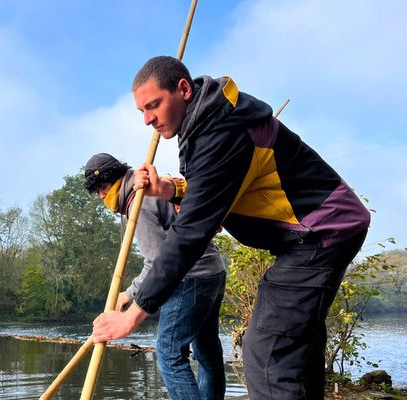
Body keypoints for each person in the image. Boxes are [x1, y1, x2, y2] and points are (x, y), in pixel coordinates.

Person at [92, 56, 370, 400]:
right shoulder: (205, 125)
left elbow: (189, 234)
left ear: (183, 89)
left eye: (154, 105)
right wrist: (170, 190)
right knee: (294, 347)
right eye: (142, 111)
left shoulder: (221, 130)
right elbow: (215, 185)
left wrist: (133, 315)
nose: (148, 119)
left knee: (266, 351)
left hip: (321, 231)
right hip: (311, 235)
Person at [84, 152, 226, 400]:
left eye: (103, 188)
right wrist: (129, 293)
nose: (102, 196)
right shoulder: (149, 190)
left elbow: (158, 264)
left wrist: (130, 296)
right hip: (214, 271)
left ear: (117, 179)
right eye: (97, 192)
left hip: (189, 279)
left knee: (168, 352)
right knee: (206, 350)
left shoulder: (139, 204)